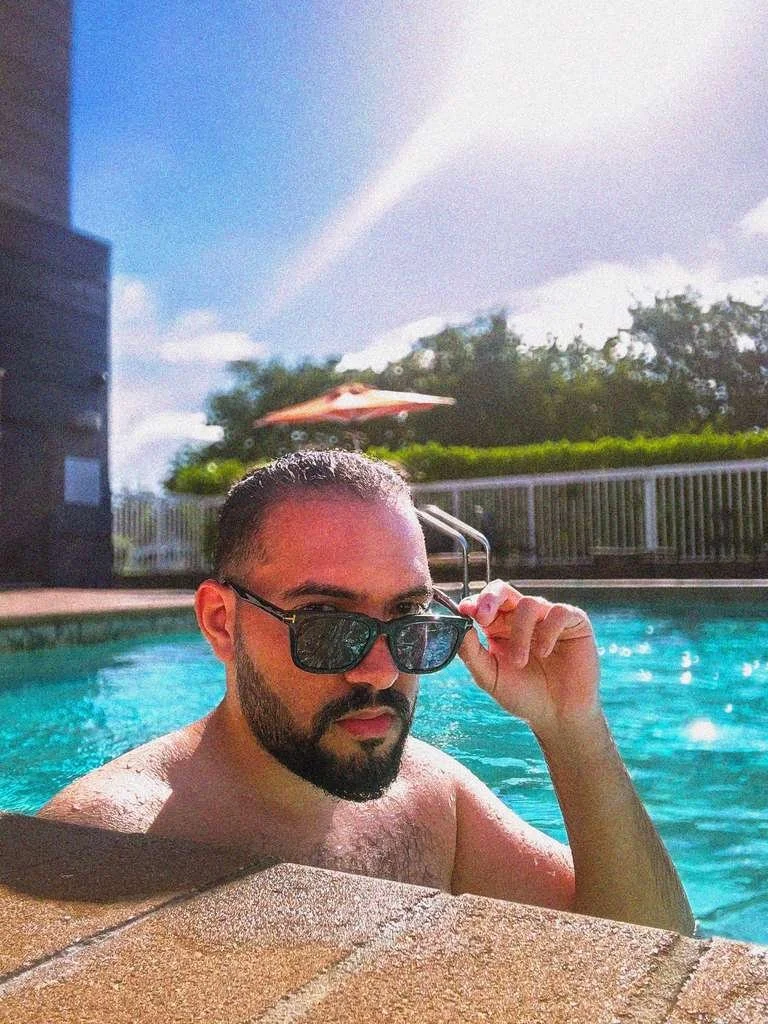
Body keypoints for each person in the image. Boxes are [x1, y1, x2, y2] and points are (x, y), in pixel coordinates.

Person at [39, 450, 694, 934]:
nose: (379, 671)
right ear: (221, 623)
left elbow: (645, 948)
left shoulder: (433, 798)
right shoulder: (106, 846)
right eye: (326, 625)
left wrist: (571, 725)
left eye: (409, 619)